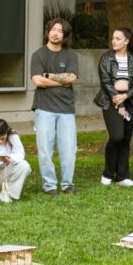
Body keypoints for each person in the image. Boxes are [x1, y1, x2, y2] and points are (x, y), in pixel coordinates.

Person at [30, 18, 79, 195]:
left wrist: (49, 76)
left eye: (60, 30)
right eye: (53, 29)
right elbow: (37, 81)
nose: (55, 33)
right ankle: (49, 185)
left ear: (65, 35)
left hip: (66, 109)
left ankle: (67, 184)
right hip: (44, 108)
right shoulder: (38, 55)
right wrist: (61, 80)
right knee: (45, 150)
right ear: (48, 31)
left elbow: (72, 78)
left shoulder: (71, 55)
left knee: (69, 150)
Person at [94, 28, 133, 187]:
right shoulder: (106, 58)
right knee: (116, 136)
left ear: (126, 41)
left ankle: (122, 176)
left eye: (117, 38)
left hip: (131, 101)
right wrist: (119, 100)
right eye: (113, 38)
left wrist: (126, 95)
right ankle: (108, 172)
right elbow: (105, 82)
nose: (113, 41)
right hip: (111, 100)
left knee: (125, 140)